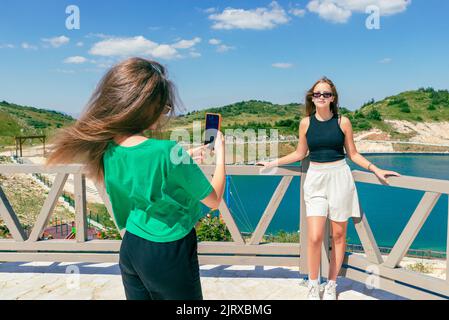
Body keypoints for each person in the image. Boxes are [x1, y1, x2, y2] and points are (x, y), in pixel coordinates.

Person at [46, 57, 226, 300]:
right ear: (147, 107)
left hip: (132, 246)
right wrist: (221, 155)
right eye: (165, 107)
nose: (165, 114)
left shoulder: (108, 148)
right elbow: (213, 200)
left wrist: (186, 155)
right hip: (168, 251)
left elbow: (142, 162)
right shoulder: (168, 152)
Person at [257, 77, 400, 300]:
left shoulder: (343, 122)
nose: (321, 97)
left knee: (339, 235)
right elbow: (299, 153)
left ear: (333, 98)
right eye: (317, 94)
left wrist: (375, 169)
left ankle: (332, 284)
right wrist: (271, 162)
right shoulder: (305, 123)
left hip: (339, 177)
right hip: (314, 178)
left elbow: (352, 154)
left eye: (326, 94)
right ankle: (314, 284)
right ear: (311, 98)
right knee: (314, 237)